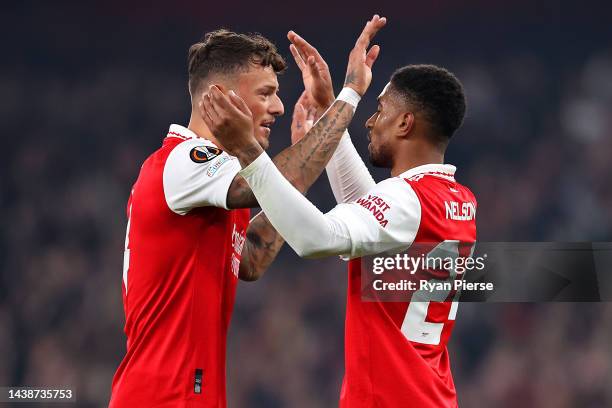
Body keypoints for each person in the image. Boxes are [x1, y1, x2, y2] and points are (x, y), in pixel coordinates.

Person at [109, 16, 386, 408]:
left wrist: (308, 155)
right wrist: (350, 94)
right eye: (266, 92)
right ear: (221, 96)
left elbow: (251, 258)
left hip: (187, 394)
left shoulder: (214, 180)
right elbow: (259, 182)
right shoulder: (184, 160)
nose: (278, 105)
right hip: (163, 395)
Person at [202, 49, 477, 406]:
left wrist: (250, 154)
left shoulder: (408, 201)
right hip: (430, 394)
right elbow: (370, 212)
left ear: (405, 124)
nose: (369, 121)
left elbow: (316, 238)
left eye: (380, 110)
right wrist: (327, 116)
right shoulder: (458, 201)